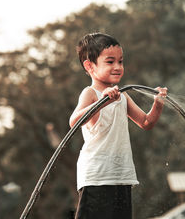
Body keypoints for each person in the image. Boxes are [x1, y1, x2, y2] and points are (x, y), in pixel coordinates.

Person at [69, 32, 167, 219]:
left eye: (120, 61)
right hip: (97, 177)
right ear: (90, 66)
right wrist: (103, 101)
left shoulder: (123, 96)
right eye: (110, 61)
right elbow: (74, 122)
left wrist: (158, 103)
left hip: (121, 176)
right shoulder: (90, 94)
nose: (117, 67)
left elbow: (146, 123)